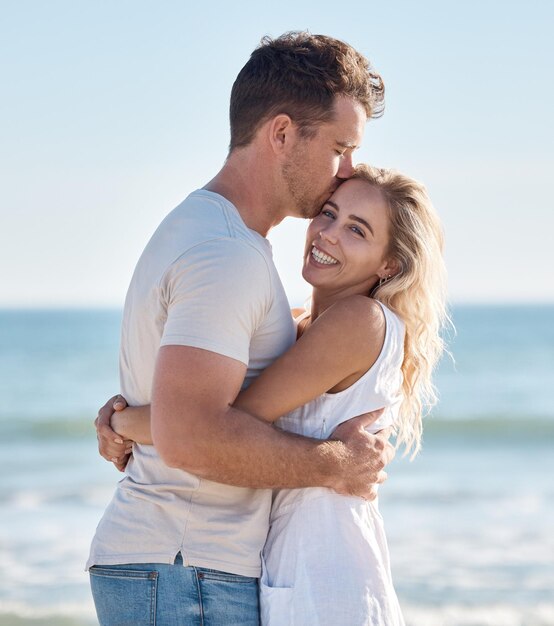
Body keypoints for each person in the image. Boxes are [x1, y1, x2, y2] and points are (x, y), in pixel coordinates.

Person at [88, 32, 392, 626]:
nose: (348, 169)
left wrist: (123, 420)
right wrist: (336, 464)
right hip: (183, 568)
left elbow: (188, 412)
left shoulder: (211, 232)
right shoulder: (226, 254)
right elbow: (190, 436)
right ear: (281, 134)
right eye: (340, 146)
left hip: (177, 566)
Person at [97, 164, 448, 625]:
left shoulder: (359, 321)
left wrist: (121, 422)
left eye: (356, 230)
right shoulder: (300, 322)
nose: (327, 234)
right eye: (328, 213)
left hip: (327, 571)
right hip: (285, 567)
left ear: (389, 265)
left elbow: (223, 421)